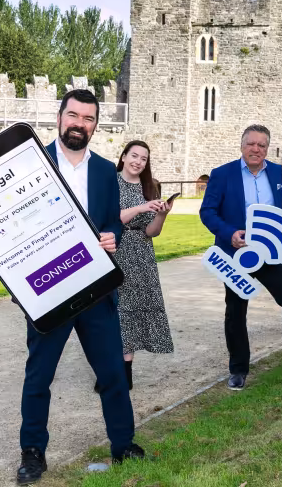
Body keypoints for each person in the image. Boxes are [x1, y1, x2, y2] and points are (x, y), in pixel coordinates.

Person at [0, 90, 145, 484]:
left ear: (96, 125)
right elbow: (5, 218)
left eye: (88, 118)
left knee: (113, 370)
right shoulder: (30, 162)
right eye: (73, 115)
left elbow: (112, 221)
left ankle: (123, 444)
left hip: (94, 287)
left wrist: (112, 236)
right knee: (39, 376)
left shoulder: (102, 172)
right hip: (47, 288)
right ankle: (32, 453)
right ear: (59, 117)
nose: (80, 124)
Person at [199, 124, 282, 391]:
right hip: (236, 254)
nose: (256, 149)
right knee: (236, 310)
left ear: (268, 148)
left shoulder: (276, 171)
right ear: (242, 145)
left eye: (262, 145)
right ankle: (238, 370)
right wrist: (230, 233)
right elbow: (207, 212)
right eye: (251, 144)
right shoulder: (222, 174)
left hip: (272, 251)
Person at [111, 140, 175, 390]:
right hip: (114, 250)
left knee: (133, 312)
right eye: (134, 156)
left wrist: (161, 214)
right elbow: (109, 218)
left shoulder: (150, 187)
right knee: (115, 312)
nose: (138, 161)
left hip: (141, 255)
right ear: (124, 156)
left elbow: (151, 231)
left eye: (143, 158)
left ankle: (125, 372)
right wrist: (140, 207)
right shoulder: (110, 182)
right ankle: (110, 370)